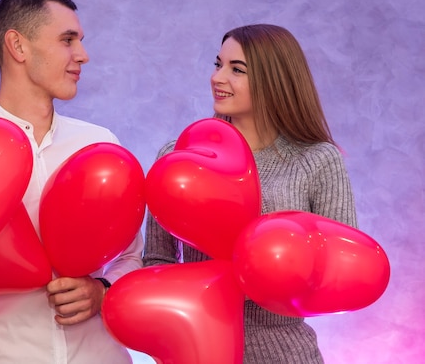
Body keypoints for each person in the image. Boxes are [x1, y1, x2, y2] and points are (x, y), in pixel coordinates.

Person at [0, 0, 143, 363]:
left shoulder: (100, 146)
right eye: (67, 40)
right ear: (19, 47)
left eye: (80, 40)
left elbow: (130, 256)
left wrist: (103, 289)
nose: (83, 55)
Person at [143, 24, 358, 363]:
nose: (218, 77)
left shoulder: (316, 159)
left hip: (286, 353)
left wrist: (261, 280)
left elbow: (341, 271)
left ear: (274, 80)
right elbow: (156, 262)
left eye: (236, 69)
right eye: (218, 64)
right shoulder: (180, 156)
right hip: (197, 350)